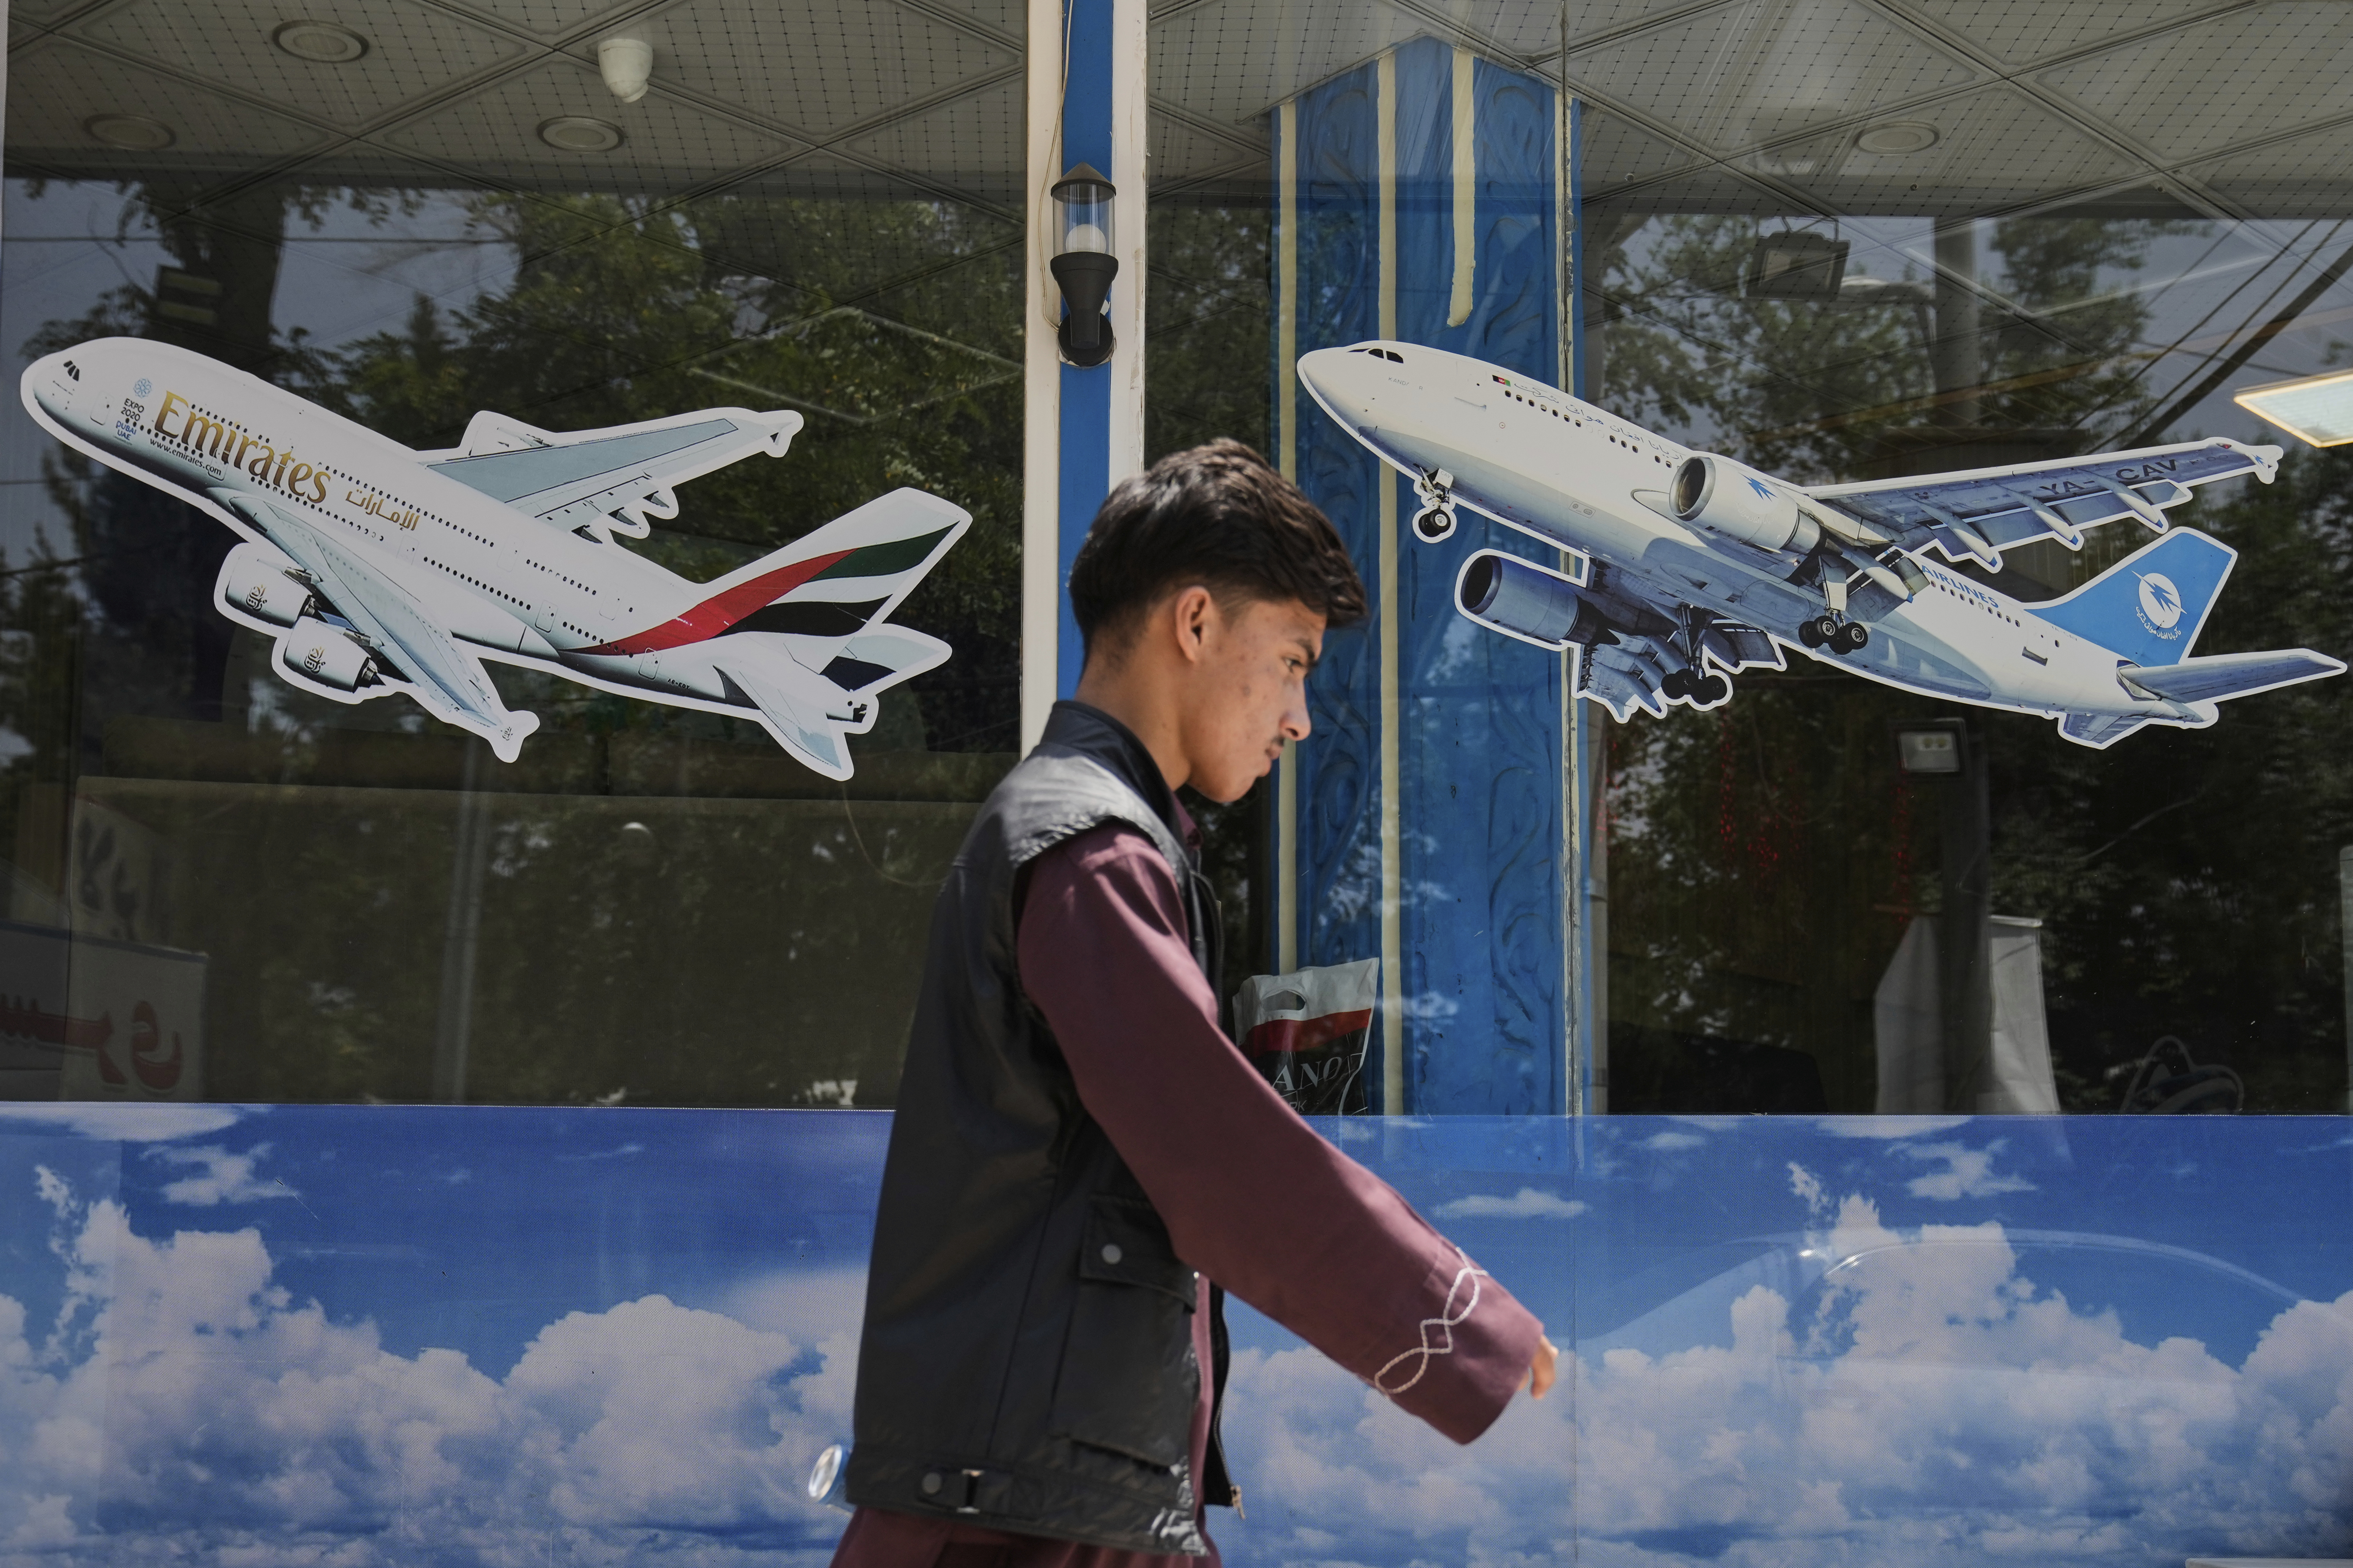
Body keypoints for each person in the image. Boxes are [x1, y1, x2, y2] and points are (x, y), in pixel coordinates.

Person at [833, 439, 1557, 1568]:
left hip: (1047, 1498)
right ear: (1196, 623)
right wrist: (1455, 1322)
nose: (1299, 716)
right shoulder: (1092, 854)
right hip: (1025, 1522)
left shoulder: (1093, 837)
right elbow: (1222, 1161)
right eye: (1294, 659)